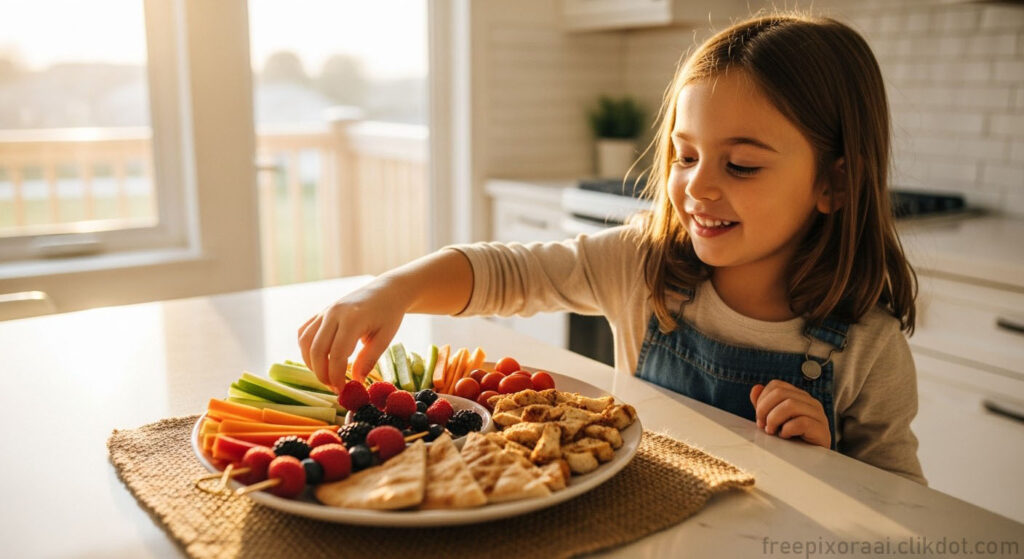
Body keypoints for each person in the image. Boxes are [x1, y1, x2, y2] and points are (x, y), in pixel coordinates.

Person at [298, 13, 926, 485]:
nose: (697, 186)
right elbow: (507, 272)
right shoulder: (642, 266)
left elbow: (906, 507)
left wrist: (831, 465)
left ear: (834, 182)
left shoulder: (869, 346)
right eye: (684, 156)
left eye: (739, 165)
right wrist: (393, 288)